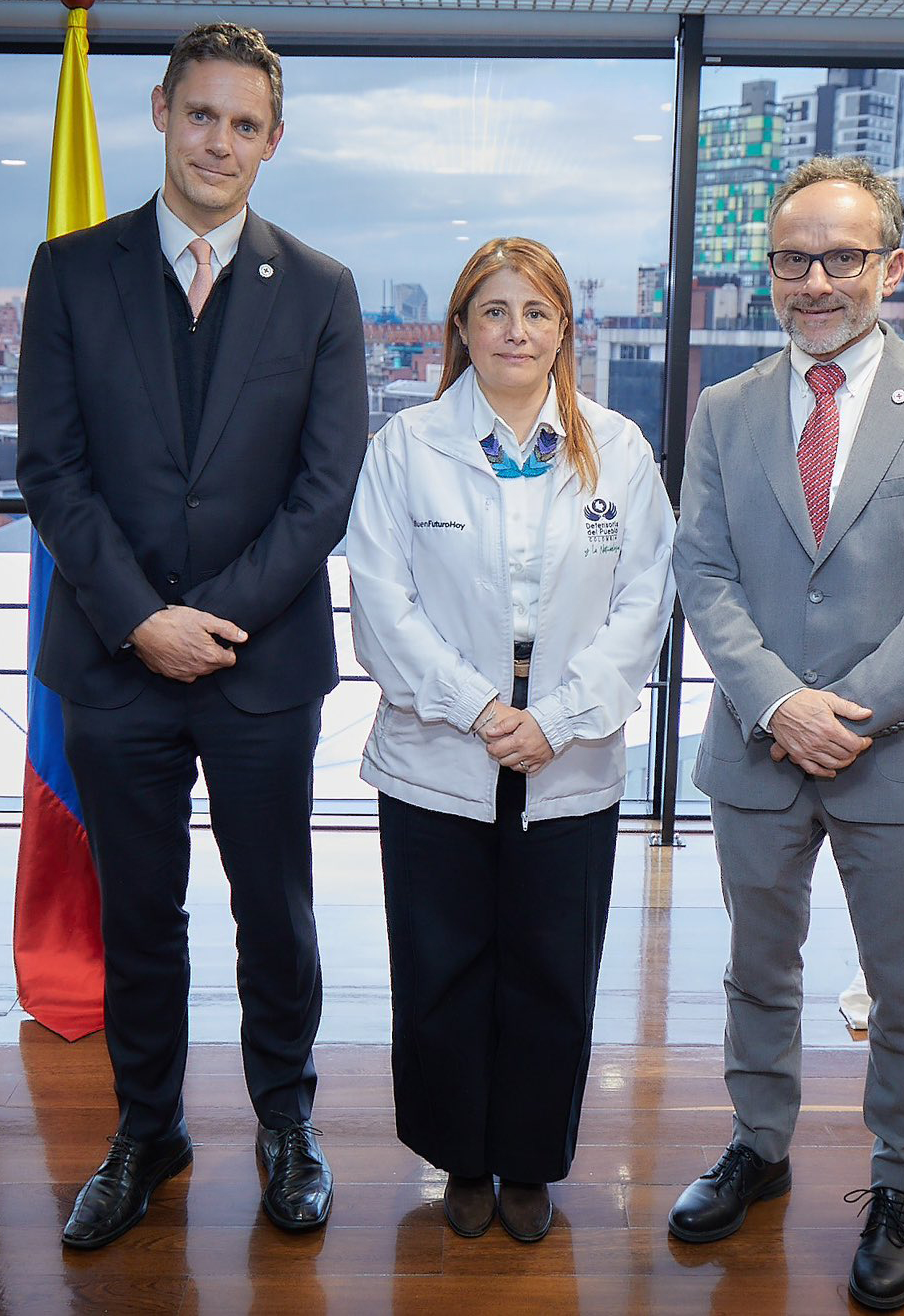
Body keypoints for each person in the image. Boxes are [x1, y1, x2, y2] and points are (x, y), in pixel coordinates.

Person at [17, 22, 366, 1248]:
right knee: (137, 914)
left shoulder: (320, 289)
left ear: (274, 141)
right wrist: (140, 620)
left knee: (273, 908)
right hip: (112, 668)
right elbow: (50, 472)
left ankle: (285, 1121)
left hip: (261, 670)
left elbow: (324, 492)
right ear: (159, 111)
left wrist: (209, 624)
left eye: (245, 123)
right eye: (200, 114)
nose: (219, 141)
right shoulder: (69, 269)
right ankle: (145, 1127)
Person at [666, 156, 904, 1310]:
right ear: (768, 270)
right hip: (756, 748)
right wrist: (779, 703)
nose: (814, 281)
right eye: (790, 259)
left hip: (897, 752)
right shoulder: (723, 409)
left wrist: (845, 713)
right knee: (756, 972)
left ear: (890, 266)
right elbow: (702, 572)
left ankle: (897, 1183)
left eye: (840, 257)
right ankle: (757, 1149)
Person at [346, 237, 675, 1242]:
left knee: (549, 962)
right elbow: (378, 599)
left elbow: (644, 600)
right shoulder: (407, 444)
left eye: (534, 313)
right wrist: (479, 706)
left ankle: (528, 1159)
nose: (513, 331)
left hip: (566, 743)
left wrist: (560, 718)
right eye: (491, 312)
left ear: (563, 331)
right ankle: (460, 1156)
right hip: (438, 740)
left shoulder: (615, 448)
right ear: (458, 329)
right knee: (440, 961)